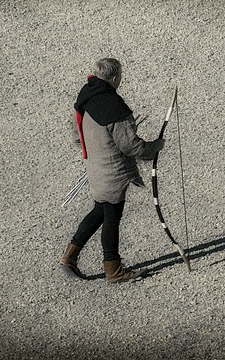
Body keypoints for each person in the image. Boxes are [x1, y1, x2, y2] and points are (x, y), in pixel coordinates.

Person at [60, 57, 165, 283]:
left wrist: (94, 153)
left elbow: (76, 133)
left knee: (100, 210)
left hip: (95, 168)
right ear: (115, 77)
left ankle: (69, 257)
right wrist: (155, 147)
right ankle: (114, 270)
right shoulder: (113, 107)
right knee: (111, 218)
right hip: (113, 173)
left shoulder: (85, 96)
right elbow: (131, 146)